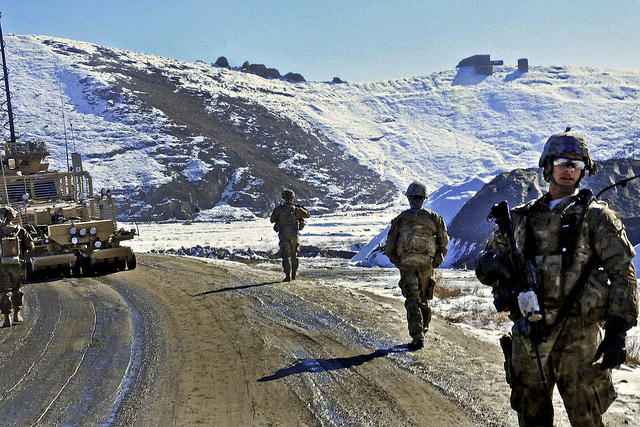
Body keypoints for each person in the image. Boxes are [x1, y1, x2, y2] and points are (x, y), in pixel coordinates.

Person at [475, 128, 639, 426]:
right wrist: (496, 266)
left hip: (581, 337)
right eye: (563, 161)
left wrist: (617, 331)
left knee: (587, 417)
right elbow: (484, 264)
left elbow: (623, 274)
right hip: (530, 334)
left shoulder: (598, 218)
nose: (568, 170)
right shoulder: (520, 219)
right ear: (548, 165)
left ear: (583, 171)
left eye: (576, 165)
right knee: (531, 415)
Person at [385, 181, 449, 350]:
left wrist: (400, 262)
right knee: (424, 299)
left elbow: (389, 247)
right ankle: (423, 331)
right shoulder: (435, 218)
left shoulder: (401, 219)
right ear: (424, 198)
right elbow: (443, 243)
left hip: (407, 266)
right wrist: (435, 261)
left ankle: (417, 336)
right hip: (426, 266)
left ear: (409, 198)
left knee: (412, 300)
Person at [0, 206, 34, 328]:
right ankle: (16, 315)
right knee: (17, 289)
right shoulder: (20, 230)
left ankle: (6, 318)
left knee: (5, 291)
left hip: (2, 266)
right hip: (17, 265)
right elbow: (31, 246)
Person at [270, 189, 310, 282]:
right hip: (294, 235)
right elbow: (307, 215)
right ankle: (294, 274)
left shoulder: (278, 209)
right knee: (294, 255)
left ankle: (287, 276)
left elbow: (272, 220)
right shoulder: (296, 209)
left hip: (283, 234)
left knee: (285, 255)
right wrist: (302, 208)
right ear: (292, 198)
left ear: (284, 198)